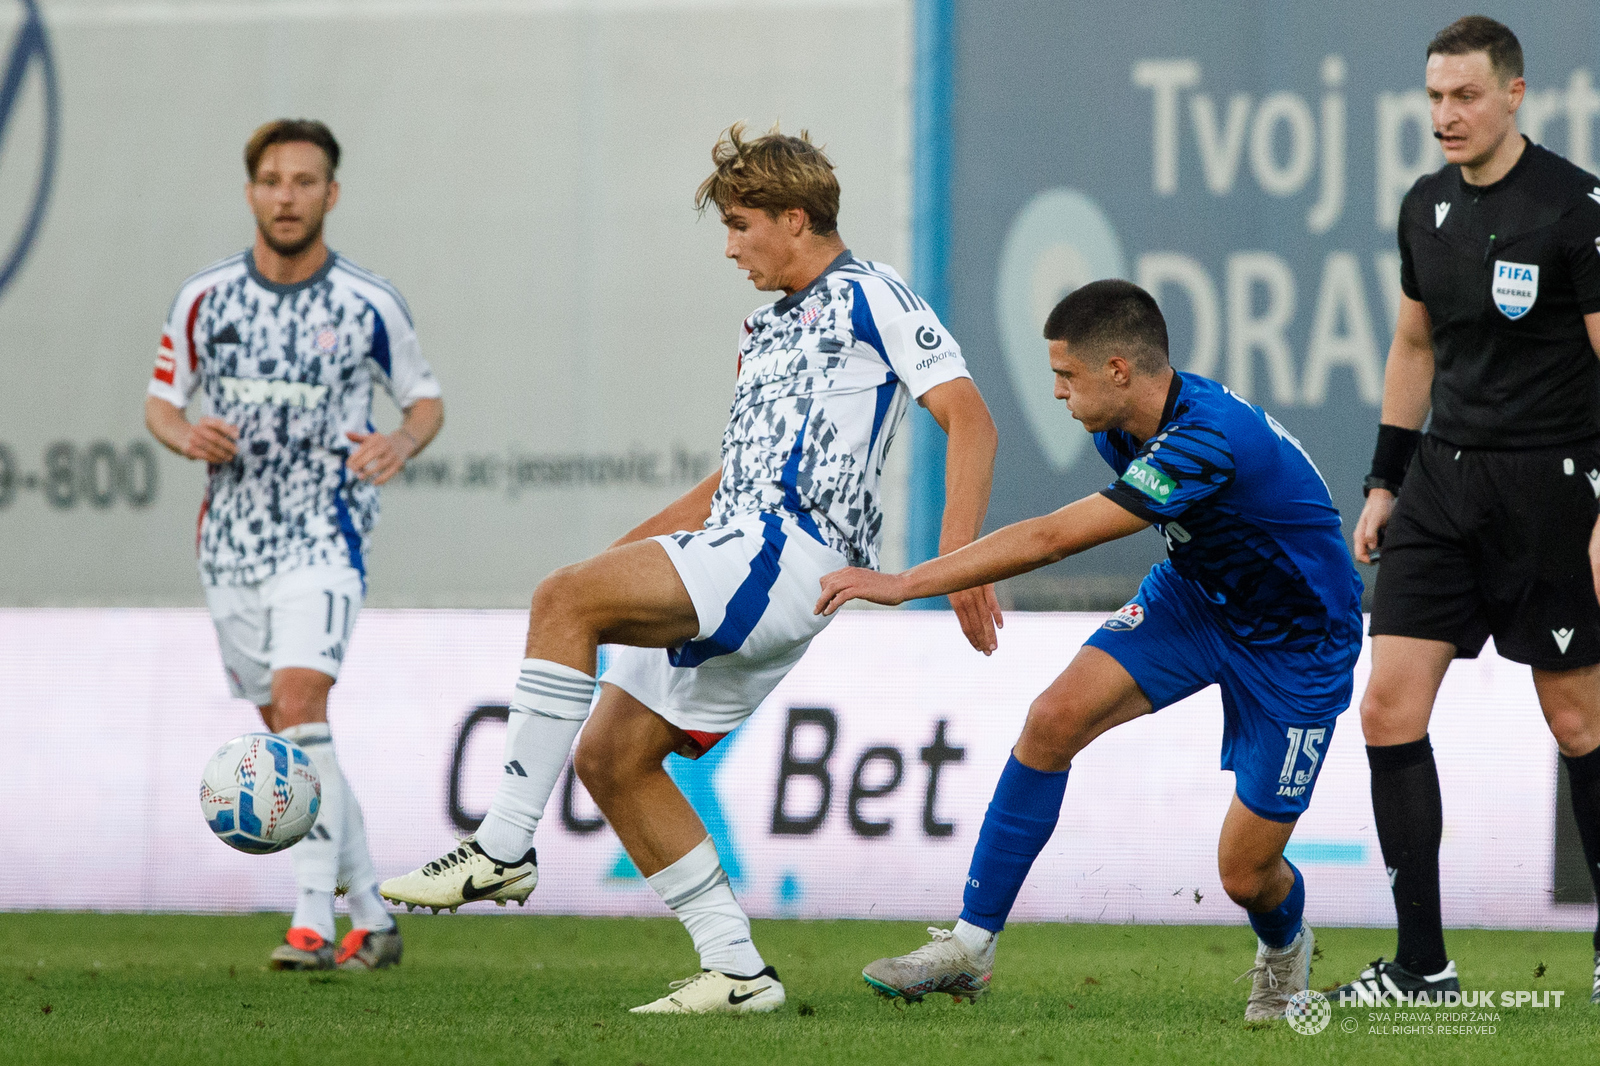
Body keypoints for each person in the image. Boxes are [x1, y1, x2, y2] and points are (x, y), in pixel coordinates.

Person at [378, 124, 1000, 1013]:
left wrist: (961, 561)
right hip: (742, 542)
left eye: (743, 223)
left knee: (564, 599)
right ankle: (738, 974)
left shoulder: (875, 297)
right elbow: (730, 480)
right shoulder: (763, 325)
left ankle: (504, 845)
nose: (731, 244)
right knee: (613, 757)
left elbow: (970, 418)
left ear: (796, 219)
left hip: (787, 553)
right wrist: (614, 562)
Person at [819, 280, 1363, 1021]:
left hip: (1300, 643)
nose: (1055, 392)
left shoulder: (1205, 438)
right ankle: (971, 948)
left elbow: (1050, 539)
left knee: (1243, 871)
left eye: (1066, 376)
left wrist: (907, 582)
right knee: (1052, 719)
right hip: (1197, 599)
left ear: (1117, 370)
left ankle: (1284, 950)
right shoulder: (1124, 426)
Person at [1337, 16, 1600, 1005]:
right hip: (1442, 485)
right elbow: (1414, 348)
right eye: (1434, 97)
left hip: (1553, 488)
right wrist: (1381, 482)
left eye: (1465, 96)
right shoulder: (1422, 206)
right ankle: (1421, 965)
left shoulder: (1573, 210)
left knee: (1577, 720)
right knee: (1386, 707)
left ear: (1515, 94)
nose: (1445, 115)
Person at [146, 119, 443, 971]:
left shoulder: (367, 301)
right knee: (287, 731)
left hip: (325, 532)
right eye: (273, 180)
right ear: (251, 193)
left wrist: (400, 443)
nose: (287, 195)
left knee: (303, 706)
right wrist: (183, 436)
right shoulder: (205, 297)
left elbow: (424, 399)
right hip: (231, 542)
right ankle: (376, 921)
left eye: (305, 181)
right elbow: (161, 401)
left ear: (331, 194)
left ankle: (311, 921)